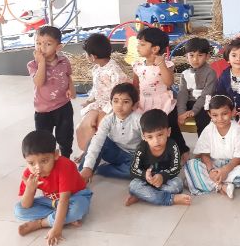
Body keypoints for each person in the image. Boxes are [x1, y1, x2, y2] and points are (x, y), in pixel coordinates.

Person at [14, 130, 92, 246]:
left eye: (44, 161)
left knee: (77, 209)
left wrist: (56, 229)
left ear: (56, 155)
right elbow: (25, 206)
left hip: (74, 197)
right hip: (51, 202)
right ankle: (66, 218)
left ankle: (42, 223)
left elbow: (64, 200)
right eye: (31, 163)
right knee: (18, 210)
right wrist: (29, 189)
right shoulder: (29, 175)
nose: (38, 168)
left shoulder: (65, 166)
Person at [132, 27, 189, 160]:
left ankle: (182, 150)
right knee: (148, 128)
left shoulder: (166, 64)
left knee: (170, 126)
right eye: (138, 44)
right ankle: (153, 153)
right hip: (144, 102)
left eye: (142, 44)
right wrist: (134, 101)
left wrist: (161, 64)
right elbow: (135, 85)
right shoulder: (137, 65)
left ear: (155, 49)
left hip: (162, 101)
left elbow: (169, 82)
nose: (138, 47)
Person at [184, 95, 240, 198]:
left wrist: (225, 170)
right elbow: (204, 154)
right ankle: (220, 186)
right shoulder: (208, 130)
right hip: (212, 164)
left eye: (224, 114)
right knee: (190, 164)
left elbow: (239, 157)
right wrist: (211, 170)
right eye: (215, 115)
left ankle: (200, 181)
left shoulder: (237, 130)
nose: (220, 119)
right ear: (209, 114)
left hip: (231, 166)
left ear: (233, 112)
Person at [125, 109, 191, 207]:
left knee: (177, 184)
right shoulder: (141, 148)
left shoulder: (172, 145)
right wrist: (145, 175)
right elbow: (133, 169)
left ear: (168, 132)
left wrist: (162, 176)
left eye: (160, 135)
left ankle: (143, 195)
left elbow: (176, 168)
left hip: (165, 180)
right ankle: (170, 199)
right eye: (150, 137)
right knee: (133, 185)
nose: (156, 141)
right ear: (143, 136)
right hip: (146, 180)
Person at [27, 25, 76, 158]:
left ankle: (65, 159)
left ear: (58, 47)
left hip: (63, 106)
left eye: (47, 44)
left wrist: (71, 88)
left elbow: (68, 76)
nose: (41, 47)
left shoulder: (64, 61)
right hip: (43, 110)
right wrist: (41, 63)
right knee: (44, 141)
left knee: (65, 137)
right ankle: (48, 161)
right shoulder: (33, 65)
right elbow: (39, 82)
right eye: (38, 43)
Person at [76, 33, 129, 153]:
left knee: (99, 125)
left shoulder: (114, 71)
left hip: (112, 105)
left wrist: (108, 109)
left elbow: (119, 94)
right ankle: (86, 151)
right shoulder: (97, 68)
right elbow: (96, 89)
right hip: (99, 103)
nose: (85, 56)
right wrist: (89, 100)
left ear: (92, 57)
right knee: (86, 124)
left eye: (86, 54)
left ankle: (97, 152)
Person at [79, 83, 141, 181]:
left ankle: (102, 169)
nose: (119, 105)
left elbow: (148, 143)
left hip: (134, 156)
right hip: (115, 152)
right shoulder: (108, 120)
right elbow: (97, 142)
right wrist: (88, 167)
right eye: (115, 101)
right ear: (111, 103)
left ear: (134, 105)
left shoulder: (139, 119)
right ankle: (83, 173)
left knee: (137, 172)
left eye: (125, 102)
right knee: (94, 141)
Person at [177, 37, 217, 135]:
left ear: (207, 56)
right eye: (191, 55)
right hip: (190, 102)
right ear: (186, 57)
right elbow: (182, 94)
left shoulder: (210, 73)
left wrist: (194, 111)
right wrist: (181, 112)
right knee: (172, 117)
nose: (195, 59)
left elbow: (206, 94)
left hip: (205, 103)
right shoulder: (185, 73)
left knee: (203, 121)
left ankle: (203, 143)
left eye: (200, 55)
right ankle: (179, 144)